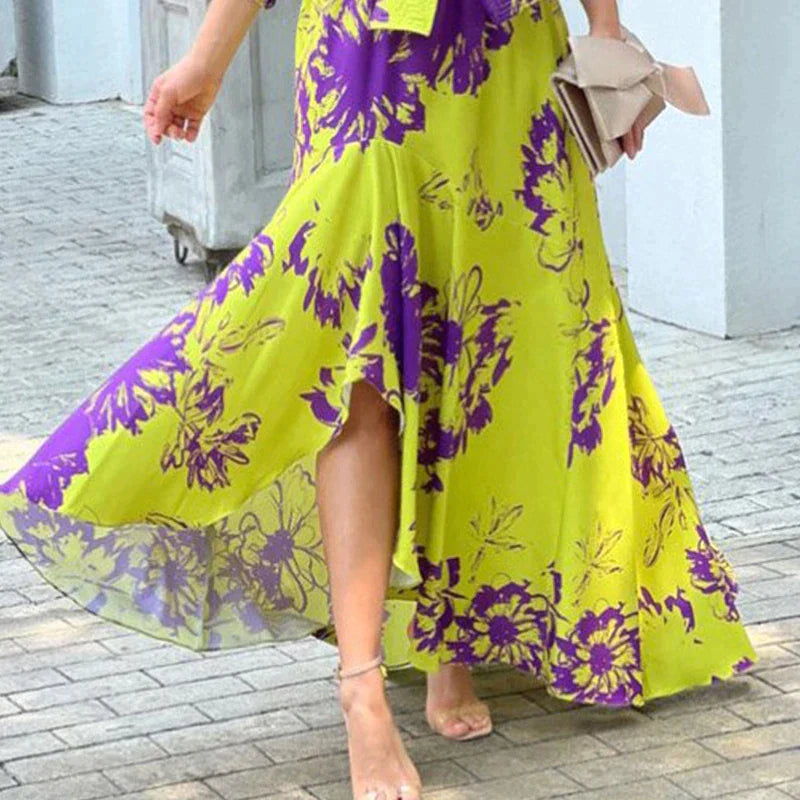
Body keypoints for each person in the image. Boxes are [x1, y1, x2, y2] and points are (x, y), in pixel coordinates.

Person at [0, 1, 758, 799]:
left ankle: (447, 637)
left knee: (489, 353)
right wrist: (207, 61)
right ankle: (360, 683)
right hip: (369, 61)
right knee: (357, 361)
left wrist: (605, 33)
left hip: (509, 63)